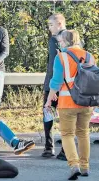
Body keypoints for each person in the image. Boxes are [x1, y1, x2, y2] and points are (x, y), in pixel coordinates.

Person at [45, 30, 96, 180]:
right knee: (83, 134)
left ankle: (74, 166)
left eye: (60, 41)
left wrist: (49, 100)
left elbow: (55, 82)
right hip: (86, 102)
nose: (59, 43)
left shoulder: (61, 57)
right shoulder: (89, 56)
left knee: (67, 135)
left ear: (66, 42)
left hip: (67, 103)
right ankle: (85, 167)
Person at [42, 13, 67, 160]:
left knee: (58, 116)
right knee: (50, 115)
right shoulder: (54, 39)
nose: (49, 28)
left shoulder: (65, 39)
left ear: (59, 24)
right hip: (53, 83)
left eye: (51, 25)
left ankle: (58, 148)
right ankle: (51, 147)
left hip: (61, 86)